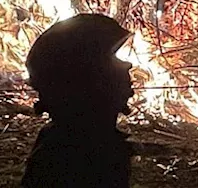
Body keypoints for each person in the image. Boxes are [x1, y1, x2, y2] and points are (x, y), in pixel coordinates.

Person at [22, 14, 135, 188]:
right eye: (112, 58)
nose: (128, 65)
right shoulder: (77, 155)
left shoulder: (95, 143)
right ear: (89, 77)